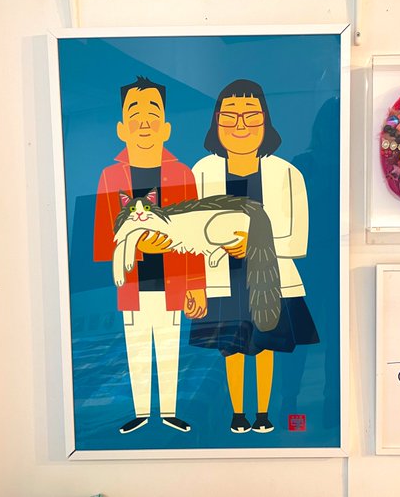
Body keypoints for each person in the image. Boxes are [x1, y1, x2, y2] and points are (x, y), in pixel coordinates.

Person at [190, 79, 320, 434]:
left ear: (266, 121)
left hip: (270, 278)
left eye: (251, 116)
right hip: (223, 278)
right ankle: (237, 414)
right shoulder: (202, 171)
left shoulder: (287, 174)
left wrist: (253, 244)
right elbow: (192, 232)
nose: (240, 126)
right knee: (231, 348)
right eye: (229, 117)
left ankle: (263, 413)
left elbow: (298, 240)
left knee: (265, 347)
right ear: (216, 123)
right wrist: (196, 280)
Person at [93, 76, 207, 434]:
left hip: (173, 281)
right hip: (131, 282)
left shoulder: (181, 174)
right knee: (137, 348)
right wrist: (139, 247)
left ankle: (169, 410)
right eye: (134, 113)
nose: (144, 121)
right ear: (121, 128)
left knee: (170, 347)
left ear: (166, 128)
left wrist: (197, 285)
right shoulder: (110, 177)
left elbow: (194, 235)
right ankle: (141, 411)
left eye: (153, 112)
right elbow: (102, 239)